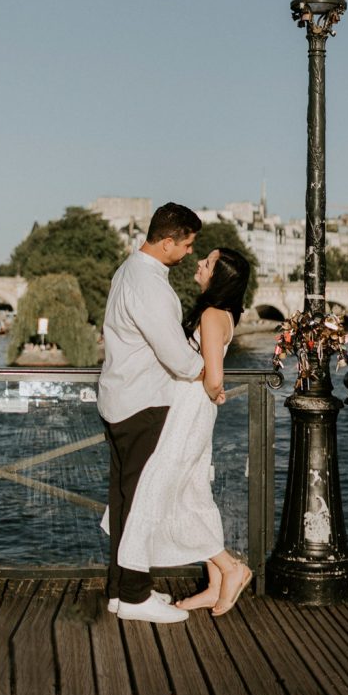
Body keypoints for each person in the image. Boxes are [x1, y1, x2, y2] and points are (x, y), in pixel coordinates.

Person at [117, 246, 253, 617]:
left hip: (188, 410)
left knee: (164, 491)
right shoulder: (225, 314)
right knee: (192, 492)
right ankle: (214, 583)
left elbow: (213, 375)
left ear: (219, 277)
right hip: (195, 409)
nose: (199, 264)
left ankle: (229, 567)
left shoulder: (210, 314)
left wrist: (214, 392)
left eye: (207, 263)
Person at [97, 202, 205, 624]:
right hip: (142, 403)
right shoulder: (152, 286)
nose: (190, 254)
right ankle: (136, 597)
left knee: (124, 501)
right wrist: (209, 376)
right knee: (142, 503)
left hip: (119, 399)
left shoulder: (128, 271)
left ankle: (120, 591)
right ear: (167, 242)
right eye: (187, 245)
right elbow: (177, 357)